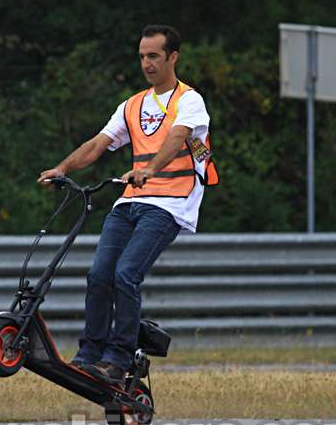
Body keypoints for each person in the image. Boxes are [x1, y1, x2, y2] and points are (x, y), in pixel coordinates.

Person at [37, 24, 218, 385]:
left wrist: (149, 169)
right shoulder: (132, 105)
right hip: (130, 201)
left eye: (154, 56)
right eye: (142, 57)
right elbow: (98, 143)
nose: (147, 63)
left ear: (172, 57)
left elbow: (178, 138)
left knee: (126, 274)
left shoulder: (189, 101)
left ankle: (118, 360)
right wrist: (61, 168)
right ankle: (90, 354)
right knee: (99, 274)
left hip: (169, 204)